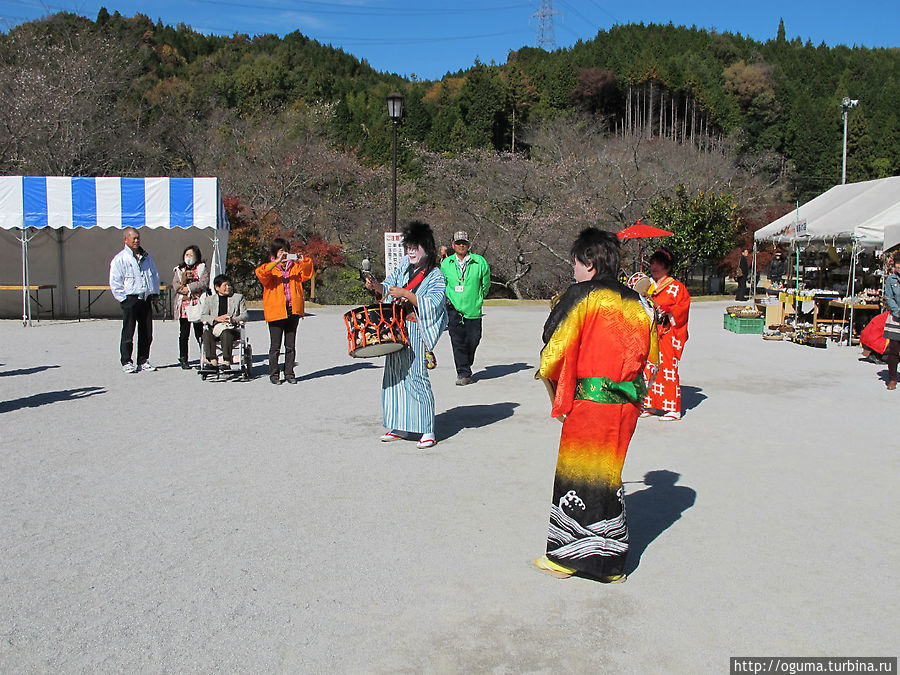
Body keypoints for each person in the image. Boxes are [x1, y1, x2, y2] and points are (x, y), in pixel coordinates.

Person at [532, 227, 657, 583]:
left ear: (588, 262)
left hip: (592, 401)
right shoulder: (639, 302)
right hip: (626, 403)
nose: (573, 270)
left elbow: (553, 341)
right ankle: (610, 565)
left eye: (575, 263)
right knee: (609, 477)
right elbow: (652, 353)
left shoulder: (583, 295)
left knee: (578, 476)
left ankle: (566, 557)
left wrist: (556, 381)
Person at [364, 221, 448, 449]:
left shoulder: (435, 275)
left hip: (416, 331)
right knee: (394, 375)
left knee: (416, 376)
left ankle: (427, 428)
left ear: (426, 248)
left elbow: (433, 304)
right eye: (408, 247)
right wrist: (376, 287)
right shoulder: (402, 268)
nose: (411, 251)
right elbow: (388, 287)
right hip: (396, 330)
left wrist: (407, 294)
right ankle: (399, 424)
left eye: (415, 247)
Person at [255, 238, 314, 385]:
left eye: (286, 250)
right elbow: (261, 274)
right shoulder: (270, 267)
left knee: (290, 345)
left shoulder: (294, 267)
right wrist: (276, 262)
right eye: (281, 251)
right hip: (275, 311)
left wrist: (303, 261)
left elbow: (307, 274)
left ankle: (289, 373)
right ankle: (274, 374)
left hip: (292, 309)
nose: (284, 253)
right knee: (275, 346)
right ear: (275, 253)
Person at [641, 247, 690, 421]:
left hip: (668, 332)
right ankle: (649, 404)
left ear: (667, 266)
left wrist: (670, 310)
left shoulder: (676, 288)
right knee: (648, 367)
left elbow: (683, 308)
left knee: (668, 368)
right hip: (651, 332)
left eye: (658, 263)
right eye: (653, 263)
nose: (654, 266)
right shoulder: (649, 286)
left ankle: (672, 408)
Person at [440, 230, 491, 385]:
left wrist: (478, 297)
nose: (461, 245)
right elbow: (443, 285)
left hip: (473, 309)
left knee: (474, 339)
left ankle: (466, 363)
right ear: (453, 245)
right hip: (454, 309)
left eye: (464, 243)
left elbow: (486, 284)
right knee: (458, 342)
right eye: (458, 243)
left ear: (468, 244)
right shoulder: (446, 264)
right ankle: (463, 373)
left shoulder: (479, 262)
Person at [109, 227, 160, 373]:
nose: (136, 241)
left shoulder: (146, 256)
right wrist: (123, 299)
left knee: (147, 332)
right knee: (128, 331)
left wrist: (155, 293)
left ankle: (143, 360)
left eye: (138, 238)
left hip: (145, 298)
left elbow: (154, 275)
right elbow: (115, 280)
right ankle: (126, 361)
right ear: (126, 240)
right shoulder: (121, 258)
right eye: (133, 238)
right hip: (130, 298)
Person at [172, 245, 209, 369]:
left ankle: (204, 357)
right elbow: (175, 284)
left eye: (191, 255)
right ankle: (183, 358)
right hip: (184, 304)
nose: (188, 257)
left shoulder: (201, 268)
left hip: (197, 302)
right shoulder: (179, 269)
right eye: (186, 255)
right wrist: (181, 285)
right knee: (184, 333)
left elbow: (203, 283)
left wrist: (188, 288)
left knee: (200, 332)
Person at [200, 274, 247, 370]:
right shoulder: (210, 300)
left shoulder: (238, 298)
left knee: (226, 334)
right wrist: (216, 319)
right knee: (206, 334)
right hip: (215, 327)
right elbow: (203, 316)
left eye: (229, 285)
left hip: (230, 328)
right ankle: (212, 361)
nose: (228, 288)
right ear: (217, 287)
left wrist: (234, 319)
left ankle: (226, 361)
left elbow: (245, 315)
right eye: (225, 285)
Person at [882, 255, 900, 390]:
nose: (898, 267)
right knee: (894, 350)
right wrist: (897, 311)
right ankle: (893, 378)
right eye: (897, 265)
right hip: (896, 317)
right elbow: (889, 296)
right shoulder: (891, 279)